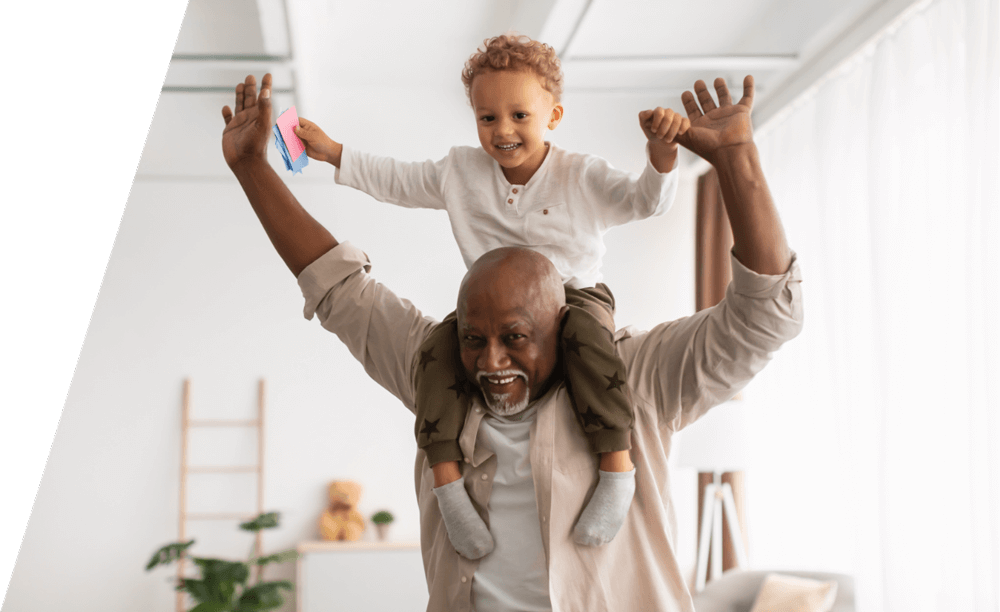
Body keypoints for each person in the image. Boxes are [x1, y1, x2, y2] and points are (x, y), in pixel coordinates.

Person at [221, 71, 803, 612]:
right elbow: (338, 287)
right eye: (475, 337)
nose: (491, 361)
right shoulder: (438, 365)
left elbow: (764, 318)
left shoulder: (635, 374)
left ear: (560, 324)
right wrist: (252, 167)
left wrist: (737, 162)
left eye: (517, 338)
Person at [291, 32, 691, 558]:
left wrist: (661, 157)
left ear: (554, 115)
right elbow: (399, 180)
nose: (502, 131)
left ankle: (616, 469)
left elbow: (645, 202)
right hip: (489, 307)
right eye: (487, 118)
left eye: (519, 116)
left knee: (593, 345)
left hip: (573, 297)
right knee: (436, 353)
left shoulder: (582, 176)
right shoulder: (461, 172)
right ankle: (449, 486)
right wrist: (334, 153)